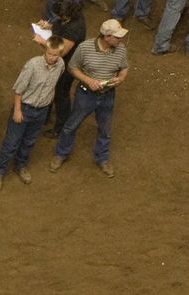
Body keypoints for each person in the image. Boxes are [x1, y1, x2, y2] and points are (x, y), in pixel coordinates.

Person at [51, 19, 130, 178]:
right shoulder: (85, 48)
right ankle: (61, 153)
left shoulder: (120, 50)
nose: (120, 39)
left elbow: (124, 67)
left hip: (108, 95)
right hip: (86, 94)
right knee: (71, 125)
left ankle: (102, 158)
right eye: (117, 37)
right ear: (106, 36)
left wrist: (121, 78)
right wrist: (88, 80)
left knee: (105, 129)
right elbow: (72, 67)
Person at [0, 37, 66, 190]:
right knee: (11, 142)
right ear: (45, 50)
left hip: (42, 111)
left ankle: (21, 166)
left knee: (29, 141)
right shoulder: (32, 65)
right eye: (49, 54)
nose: (52, 58)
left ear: (60, 54)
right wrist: (18, 110)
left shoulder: (61, 65)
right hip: (25, 108)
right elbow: (18, 90)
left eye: (55, 55)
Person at [46, 1, 88, 130]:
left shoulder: (74, 28)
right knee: (51, 89)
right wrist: (49, 27)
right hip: (60, 63)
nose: (59, 17)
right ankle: (45, 117)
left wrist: (43, 42)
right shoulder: (70, 18)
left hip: (67, 65)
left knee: (61, 93)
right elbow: (60, 26)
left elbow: (61, 52)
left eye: (61, 16)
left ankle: (60, 126)